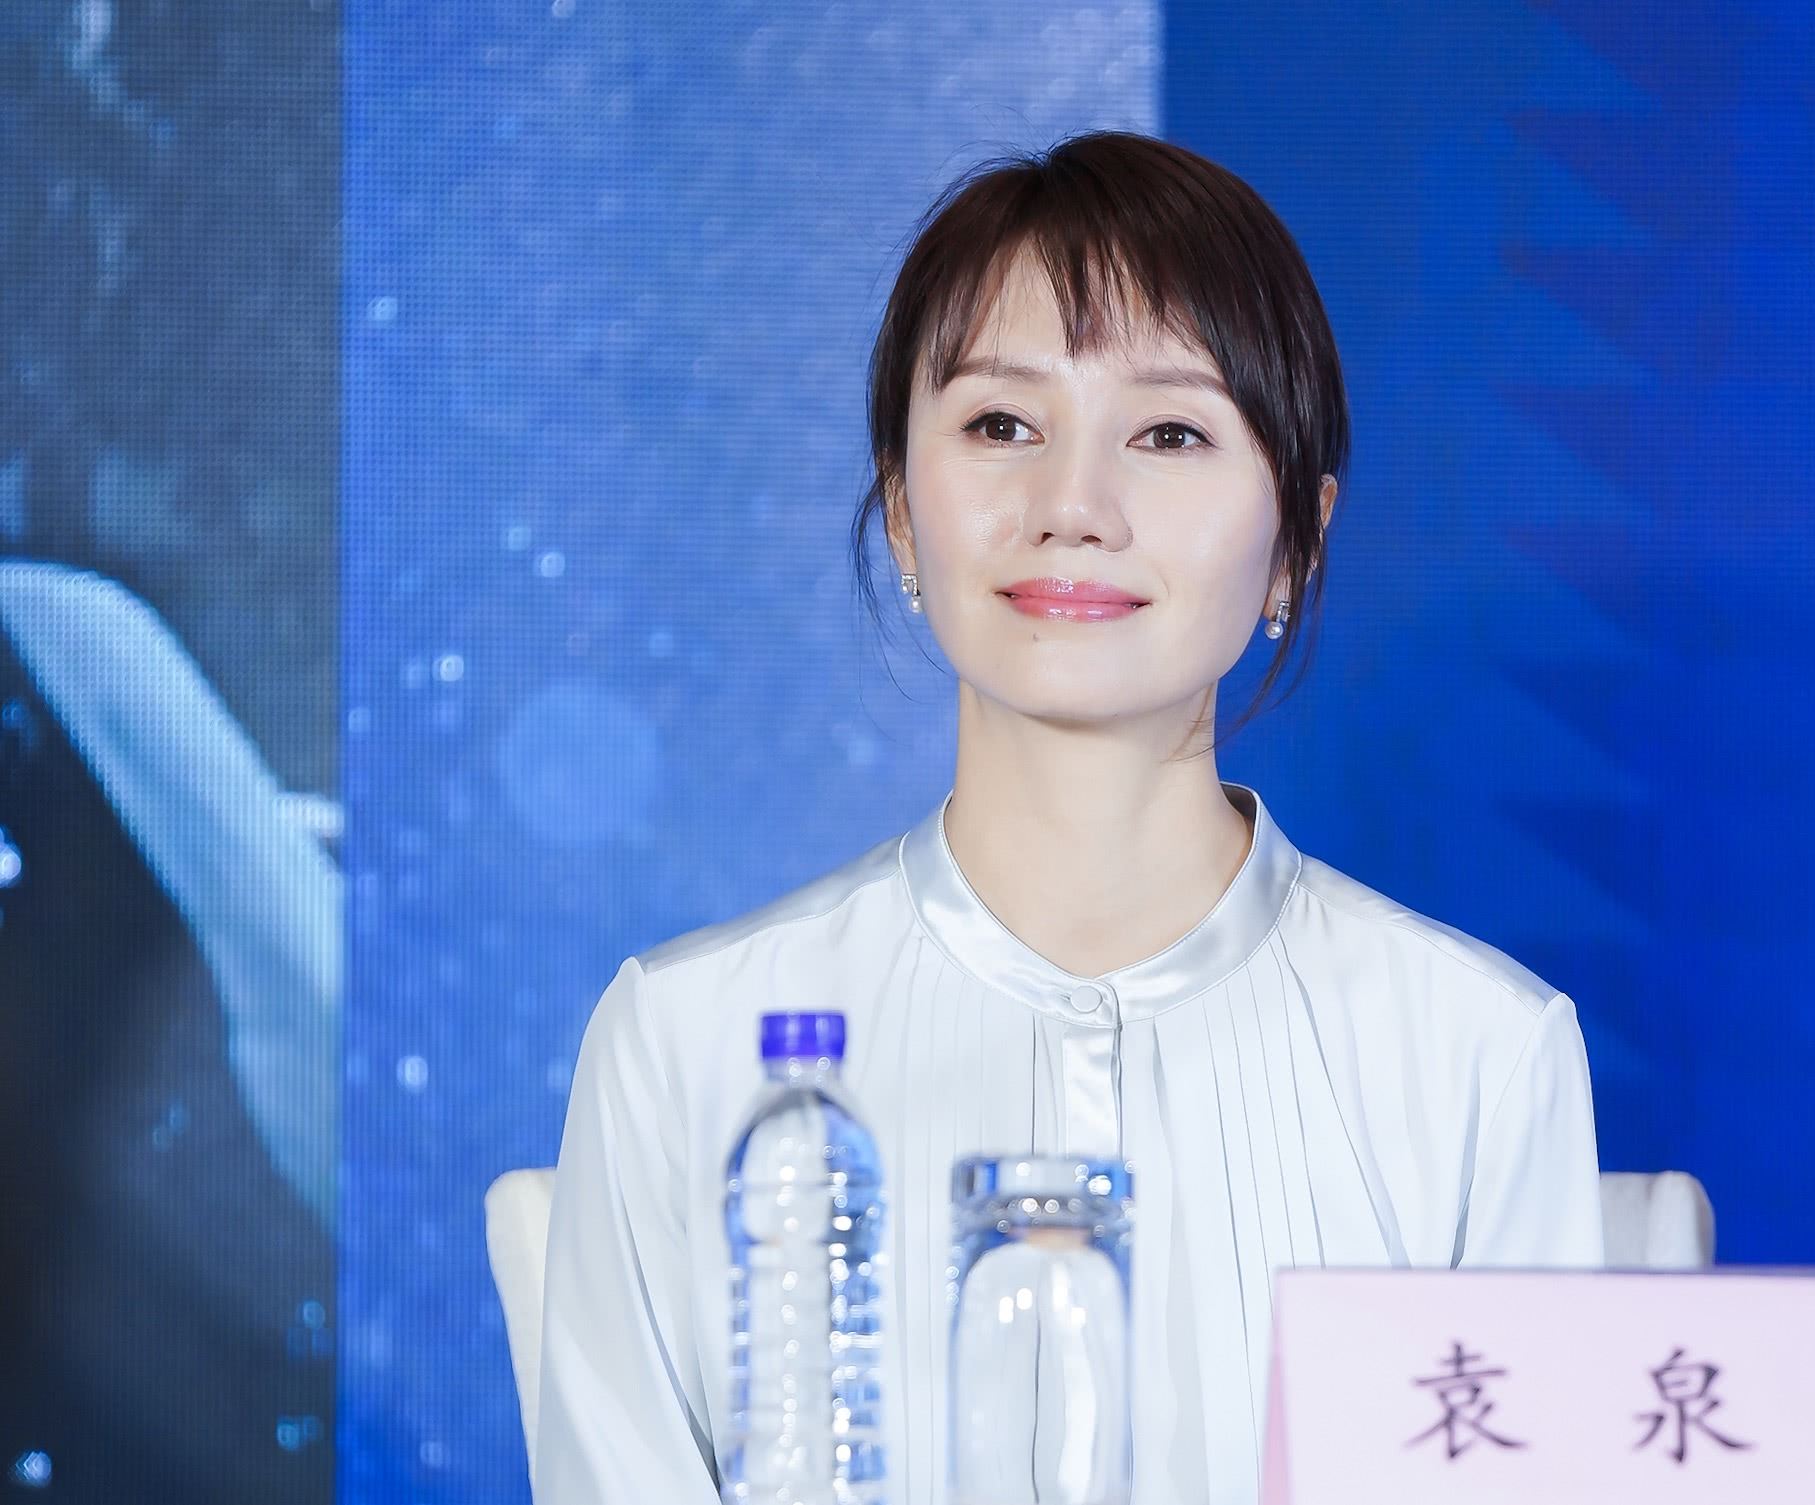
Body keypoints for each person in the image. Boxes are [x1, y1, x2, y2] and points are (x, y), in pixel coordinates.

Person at [534, 129, 1603, 1505]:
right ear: (902, 511)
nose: (1072, 507)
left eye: (1168, 433)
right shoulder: (688, 1042)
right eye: (1001, 425)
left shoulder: (1477, 1056)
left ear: (1296, 538)